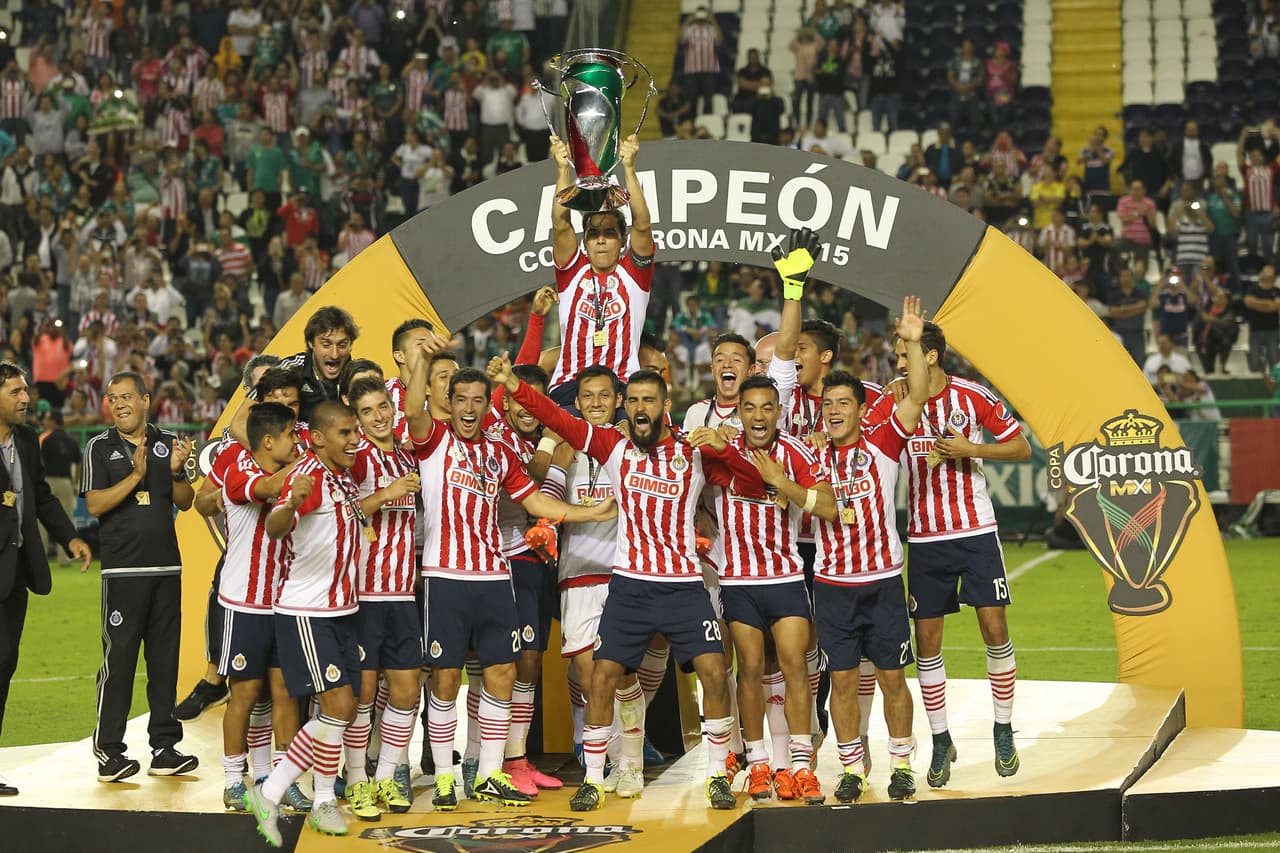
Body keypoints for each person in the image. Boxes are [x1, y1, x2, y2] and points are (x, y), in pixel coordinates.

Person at [493, 355, 763, 812]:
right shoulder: (613, 448)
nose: (640, 408)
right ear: (627, 406)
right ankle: (595, 778)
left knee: (716, 673)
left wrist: (726, 448)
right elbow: (556, 417)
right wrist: (514, 385)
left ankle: (718, 773)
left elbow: (753, 483)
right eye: (634, 400)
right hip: (630, 585)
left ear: (665, 405)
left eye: (649, 400)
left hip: (682, 586)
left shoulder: (694, 452)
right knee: (602, 678)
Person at [403, 351, 610, 812]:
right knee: (446, 677)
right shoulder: (434, 441)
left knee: (503, 672)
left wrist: (590, 513)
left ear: (486, 404)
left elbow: (535, 503)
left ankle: (491, 773)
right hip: (445, 577)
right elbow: (414, 409)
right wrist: (421, 362)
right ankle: (444, 777)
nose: (469, 408)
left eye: (477, 400)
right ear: (449, 402)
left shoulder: (500, 453)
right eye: (461, 399)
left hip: (496, 577)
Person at [868, 320, 1032, 789]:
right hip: (924, 537)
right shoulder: (894, 401)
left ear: (930, 356)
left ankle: (1003, 729)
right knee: (927, 644)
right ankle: (941, 740)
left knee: (994, 629)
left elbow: (1021, 446)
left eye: (905, 355)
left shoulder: (972, 396)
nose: (898, 363)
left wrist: (971, 448)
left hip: (975, 530)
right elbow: (859, 435)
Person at [812, 296, 929, 804]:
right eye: (827, 405)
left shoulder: (882, 445)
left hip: (881, 582)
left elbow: (918, 394)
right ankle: (852, 769)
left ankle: (901, 764)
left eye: (843, 404)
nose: (834, 411)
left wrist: (913, 342)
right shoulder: (810, 454)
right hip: (832, 586)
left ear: (862, 410)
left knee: (892, 678)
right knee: (841, 681)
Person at [712, 374, 835, 805]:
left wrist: (782, 483)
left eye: (767, 407)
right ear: (739, 412)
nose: (759, 416)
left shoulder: (796, 452)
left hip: (785, 576)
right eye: (750, 407)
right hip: (739, 579)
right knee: (748, 668)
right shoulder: (724, 451)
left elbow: (829, 505)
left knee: (795, 666)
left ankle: (800, 767)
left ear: (779, 412)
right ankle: (760, 763)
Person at [247, 401, 365, 842]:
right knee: (338, 708)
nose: (354, 440)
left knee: (341, 710)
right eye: (345, 433)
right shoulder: (309, 477)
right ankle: (313, 800)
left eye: (355, 431)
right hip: (308, 613)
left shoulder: (342, 477)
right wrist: (291, 501)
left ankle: (277, 794)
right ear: (317, 438)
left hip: (341, 612)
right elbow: (277, 525)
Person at [83, 371, 197, 783]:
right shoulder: (99, 447)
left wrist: (177, 472)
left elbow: (186, 502)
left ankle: (164, 748)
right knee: (119, 662)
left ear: (146, 400)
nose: (118, 404)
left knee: (165, 663)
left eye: (126, 396)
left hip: (167, 569)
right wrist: (135, 475)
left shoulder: (167, 442)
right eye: (112, 398)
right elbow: (95, 505)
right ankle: (109, 752)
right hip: (123, 572)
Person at [0, 362, 92, 796]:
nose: (26, 399)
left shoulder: (25, 439)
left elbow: (40, 495)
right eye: (16, 392)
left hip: (15, 571)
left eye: (26, 391)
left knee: (5, 664)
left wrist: (69, 537)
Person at [206, 401, 302, 812]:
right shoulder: (238, 470)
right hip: (243, 603)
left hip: (283, 602)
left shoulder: (289, 467)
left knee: (283, 693)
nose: (296, 443)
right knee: (244, 694)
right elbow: (268, 489)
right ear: (267, 441)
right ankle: (233, 780)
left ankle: (278, 779)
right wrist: (308, 465)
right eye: (290, 436)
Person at [343, 378, 422, 817]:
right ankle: (357, 779)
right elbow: (344, 511)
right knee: (363, 693)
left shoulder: (408, 457)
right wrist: (385, 494)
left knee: (406, 691)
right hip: (363, 595)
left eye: (382, 407)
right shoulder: (356, 459)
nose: (378, 417)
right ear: (357, 419)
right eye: (368, 411)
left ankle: (388, 776)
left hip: (402, 595)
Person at [545, 133, 654, 407]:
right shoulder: (572, 272)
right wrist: (562, 170)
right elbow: (561, 225)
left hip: (622, 386)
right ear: (585, 241)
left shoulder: (634, 275)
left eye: (609, 233)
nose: (601, 240)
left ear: (623, 240)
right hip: (569, 385)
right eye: (593, 234)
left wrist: (629, 168)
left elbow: (642, 226)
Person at [277, 306, 359, 423]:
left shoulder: (358, 375)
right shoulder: (290, 368)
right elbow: (247, 417)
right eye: (326, 345)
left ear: (350, 345)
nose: (334, 355)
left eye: (342, 345)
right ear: (311, 343)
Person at [39, 409, 81, 566]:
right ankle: (65, 558)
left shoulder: (45, 438)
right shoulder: (71, 440)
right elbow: (78, 463)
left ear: (53, 421)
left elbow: (38, 462)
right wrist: (75, 482)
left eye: (47, 419)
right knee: (66, 519)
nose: (45, 422)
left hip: (48, 481)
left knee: (42, 520)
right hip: (65, 482)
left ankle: (41, 557)